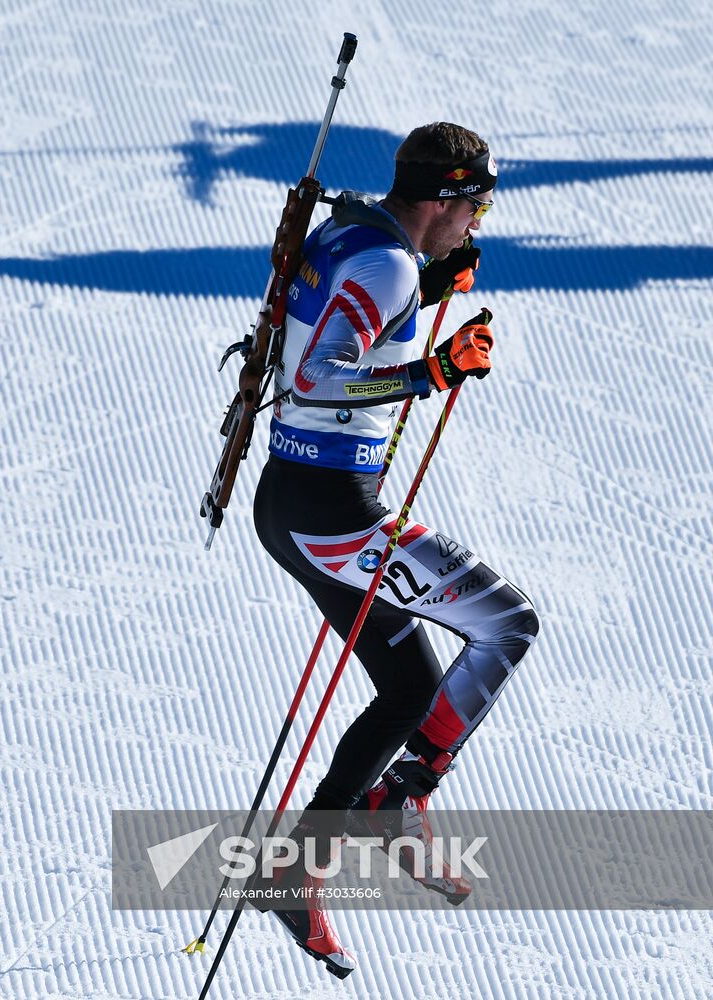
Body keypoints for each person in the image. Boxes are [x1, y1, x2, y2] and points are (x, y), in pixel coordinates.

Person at [252, 122, 539, 978]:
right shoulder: (386, 266)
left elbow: (344, 319)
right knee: (508, 624)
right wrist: (431, 372)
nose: (477, 224)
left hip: (296, 501)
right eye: (476, 208)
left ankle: (306, 864)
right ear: (445, 200)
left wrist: (429, 285)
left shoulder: (357, 235)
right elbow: (318, 376)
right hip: (334, 516)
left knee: (411, 689)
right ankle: (400, 799)